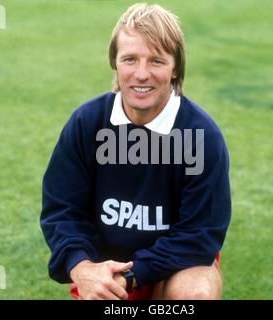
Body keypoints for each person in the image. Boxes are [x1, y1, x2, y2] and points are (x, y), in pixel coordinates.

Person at [40, 3, 231, 300]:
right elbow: (62, 209)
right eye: (130, 59)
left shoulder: (201, 137)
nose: (142, 74)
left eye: (156, 61)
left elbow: (200, 235)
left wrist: (133, 276)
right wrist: (83, 268)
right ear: (115, 63)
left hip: (174, 268)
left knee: (195, 293)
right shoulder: (87, 124)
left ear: (176, 67)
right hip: (104, 269)